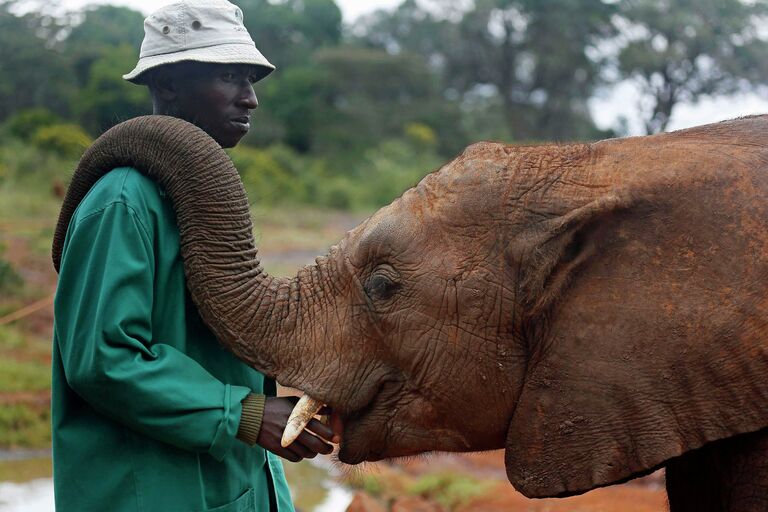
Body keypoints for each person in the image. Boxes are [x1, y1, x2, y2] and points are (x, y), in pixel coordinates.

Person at [51, 1, 334, 510]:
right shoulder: (122, 201)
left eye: (251, 79)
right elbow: (102, 359)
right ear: (166, 85)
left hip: (233, 483)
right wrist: (244, 415)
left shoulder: (194, 195)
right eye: (229, 76)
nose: (250, 99)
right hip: (151, 490)